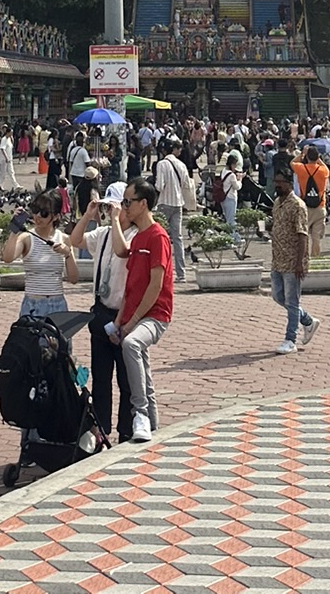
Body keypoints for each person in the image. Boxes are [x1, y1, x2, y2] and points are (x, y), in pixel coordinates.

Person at [103, 177, 172, 444]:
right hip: (134, 314)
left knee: (131, 345)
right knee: (140, 360)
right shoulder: (139, 237)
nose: (124, 207)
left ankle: (140, 413)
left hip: (155, 314)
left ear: (143, 204)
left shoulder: (158, 237)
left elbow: (155, 286)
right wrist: (119, 321)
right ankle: (153, 425)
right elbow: (131, 287)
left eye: (128, 202)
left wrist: (130, 324)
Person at [69, 184, 134, 445]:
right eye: (108, 207)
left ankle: (126, 430)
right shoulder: (103, 234)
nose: (110, 212)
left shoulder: (134, 235)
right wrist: (88, 214)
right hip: (101, 312)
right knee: (101, 378)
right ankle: (102, 430)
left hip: (126, 314)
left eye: (115, 207)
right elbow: (74, 240)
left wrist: (117, 221)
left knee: (126, 380)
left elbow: (123, 250)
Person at [0, 192, 78, 319]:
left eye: (44, 213)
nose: (38, 216)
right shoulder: (26, 238)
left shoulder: (64, 239)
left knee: (57, 339)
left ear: (56, 216)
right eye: (35, 210)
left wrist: (68, 253)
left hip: (57, 303)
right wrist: (14, 228)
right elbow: (8, 258)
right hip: (32, 303)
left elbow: (74, 278)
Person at [268, 166, 318, 354]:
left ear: (289, 184)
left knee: (292, 300)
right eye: (276, 182)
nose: (277, 185)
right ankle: (307, 320)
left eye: (280, 182)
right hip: (277, 259)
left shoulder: (297, 205)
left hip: (292, 261)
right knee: (278, 296)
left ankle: (291, 339)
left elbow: (302, 234)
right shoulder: (277, 203)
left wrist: (300, 262)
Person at [152, 147, 194, 282]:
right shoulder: (181, 165)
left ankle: (163, 272)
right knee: (178, 239)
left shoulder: (161, 164)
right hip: (178, 203)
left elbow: (159, 185)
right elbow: (187, 184)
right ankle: (181, 274)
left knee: (160, 239)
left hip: (164, 202)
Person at [294, 146, 330, 258]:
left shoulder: (301, 168)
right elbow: (326, 168)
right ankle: (315, 256)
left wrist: (301, 154)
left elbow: (292, 162)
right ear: (318, 156)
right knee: (316, 236)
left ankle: (304, 256)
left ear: (307, 156)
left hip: (305, 206)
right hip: (320, 206)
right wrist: (318, 159)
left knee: (304, 233)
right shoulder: (323, 171)